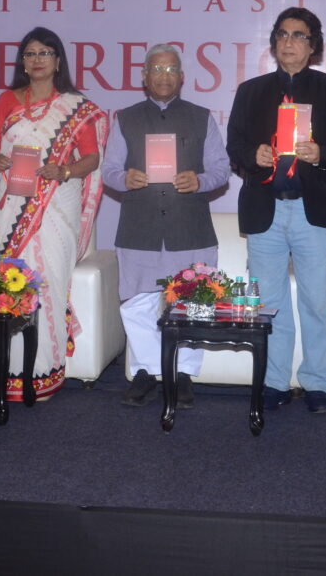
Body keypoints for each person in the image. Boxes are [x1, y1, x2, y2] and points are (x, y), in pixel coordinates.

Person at [226, 7, 326, 414]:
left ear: (313, 46)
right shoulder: (251, 91)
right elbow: (235, 145)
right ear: (273, 42)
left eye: (299, 35)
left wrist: (321, 153)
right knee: (269, 303)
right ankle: (274, 382)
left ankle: (317, 384)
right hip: (265, 209)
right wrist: (254, 155)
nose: (289, 42)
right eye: (282, 34)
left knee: (316, 302)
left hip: (312, 210)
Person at [0, 27, 107, 401]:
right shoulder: (7, 100)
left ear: (58, 61)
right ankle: (6, 372)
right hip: (12, 206)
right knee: (6, 283)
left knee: (47, 286)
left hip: (56, 209)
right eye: (31, 53)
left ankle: (44, 375)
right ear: (22, 61)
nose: (37, 60)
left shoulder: (75, 106)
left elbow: (91, 158)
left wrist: (63, 171)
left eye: (45, 53)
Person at [101, 44, 230, 408]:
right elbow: (108, 171)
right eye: (157, 69)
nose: (164, 76)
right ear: (144, 76)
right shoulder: (125, 118)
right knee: (136, 304)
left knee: (194, 302)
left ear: (182, 77)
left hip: (189, 226)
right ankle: (147, 371)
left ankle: (183, 373)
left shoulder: (201, 117)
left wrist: (199, 181)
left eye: (171, 70)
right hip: (138, 227)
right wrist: (124, 178)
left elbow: (221, 169)